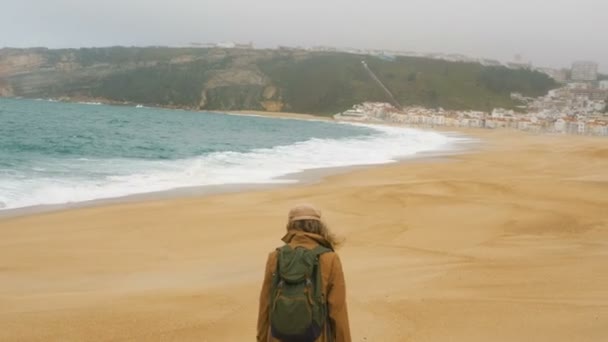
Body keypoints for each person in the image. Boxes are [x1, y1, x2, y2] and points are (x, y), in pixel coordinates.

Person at [256, 204, 351, 342]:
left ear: (290, 227)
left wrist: (262, 338)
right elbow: (338, 311)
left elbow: (265, 305)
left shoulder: (275, 257)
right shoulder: (329, 258)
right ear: (318, 226)